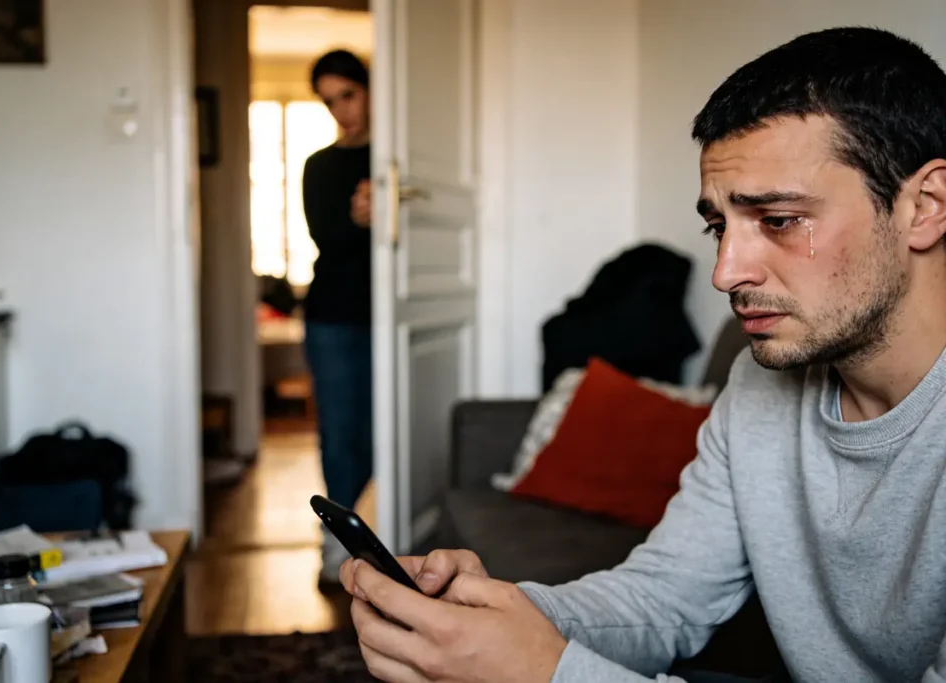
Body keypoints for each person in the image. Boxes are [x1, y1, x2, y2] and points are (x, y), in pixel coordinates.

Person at [338, 26, 946, 683]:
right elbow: (663, 596)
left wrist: (545, 673)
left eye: (776, 219)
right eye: (719, 226)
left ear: (925, 206)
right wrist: (501, 615)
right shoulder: (760, 382)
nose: (725, 271)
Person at [301, 49, 374, 585]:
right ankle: (340, 544)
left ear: (368, 88)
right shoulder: (320, 166)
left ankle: (380, 533)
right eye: (329, 102)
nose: (341, 111)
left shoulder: (398, 160)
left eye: (347, 94)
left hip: (389, 316)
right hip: (332, 315)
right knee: (340, 432)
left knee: (382, 427)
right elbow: (326, 240)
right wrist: (356, 219)